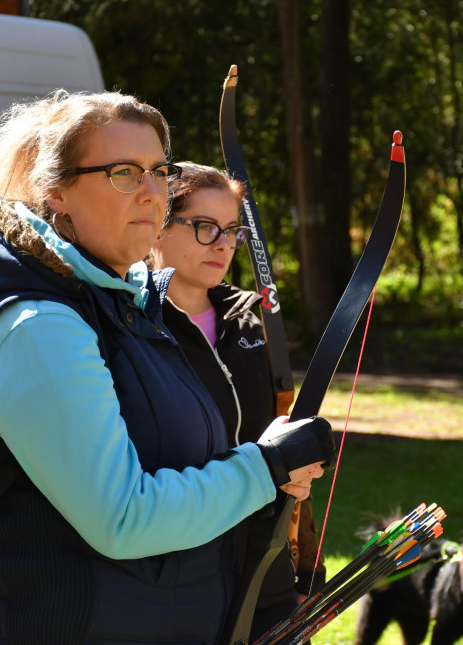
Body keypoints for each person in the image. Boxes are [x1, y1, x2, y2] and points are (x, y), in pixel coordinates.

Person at [0, 91, 334, 643]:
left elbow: (185, 466)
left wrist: (272, 475)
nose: (151, 192)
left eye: (159, 171)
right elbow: (122, 520)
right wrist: (264, 468)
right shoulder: (37, 328)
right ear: (56, 191)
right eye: (123, 173)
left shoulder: (128, 307)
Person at [149, 162, 326, 637]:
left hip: (265, 563)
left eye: (232, 230)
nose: (224, 244)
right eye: (205, 227)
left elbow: (286, 444)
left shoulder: (253, 321)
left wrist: (306, 566)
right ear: (156, 226)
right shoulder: (131, 324)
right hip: (173, 575)